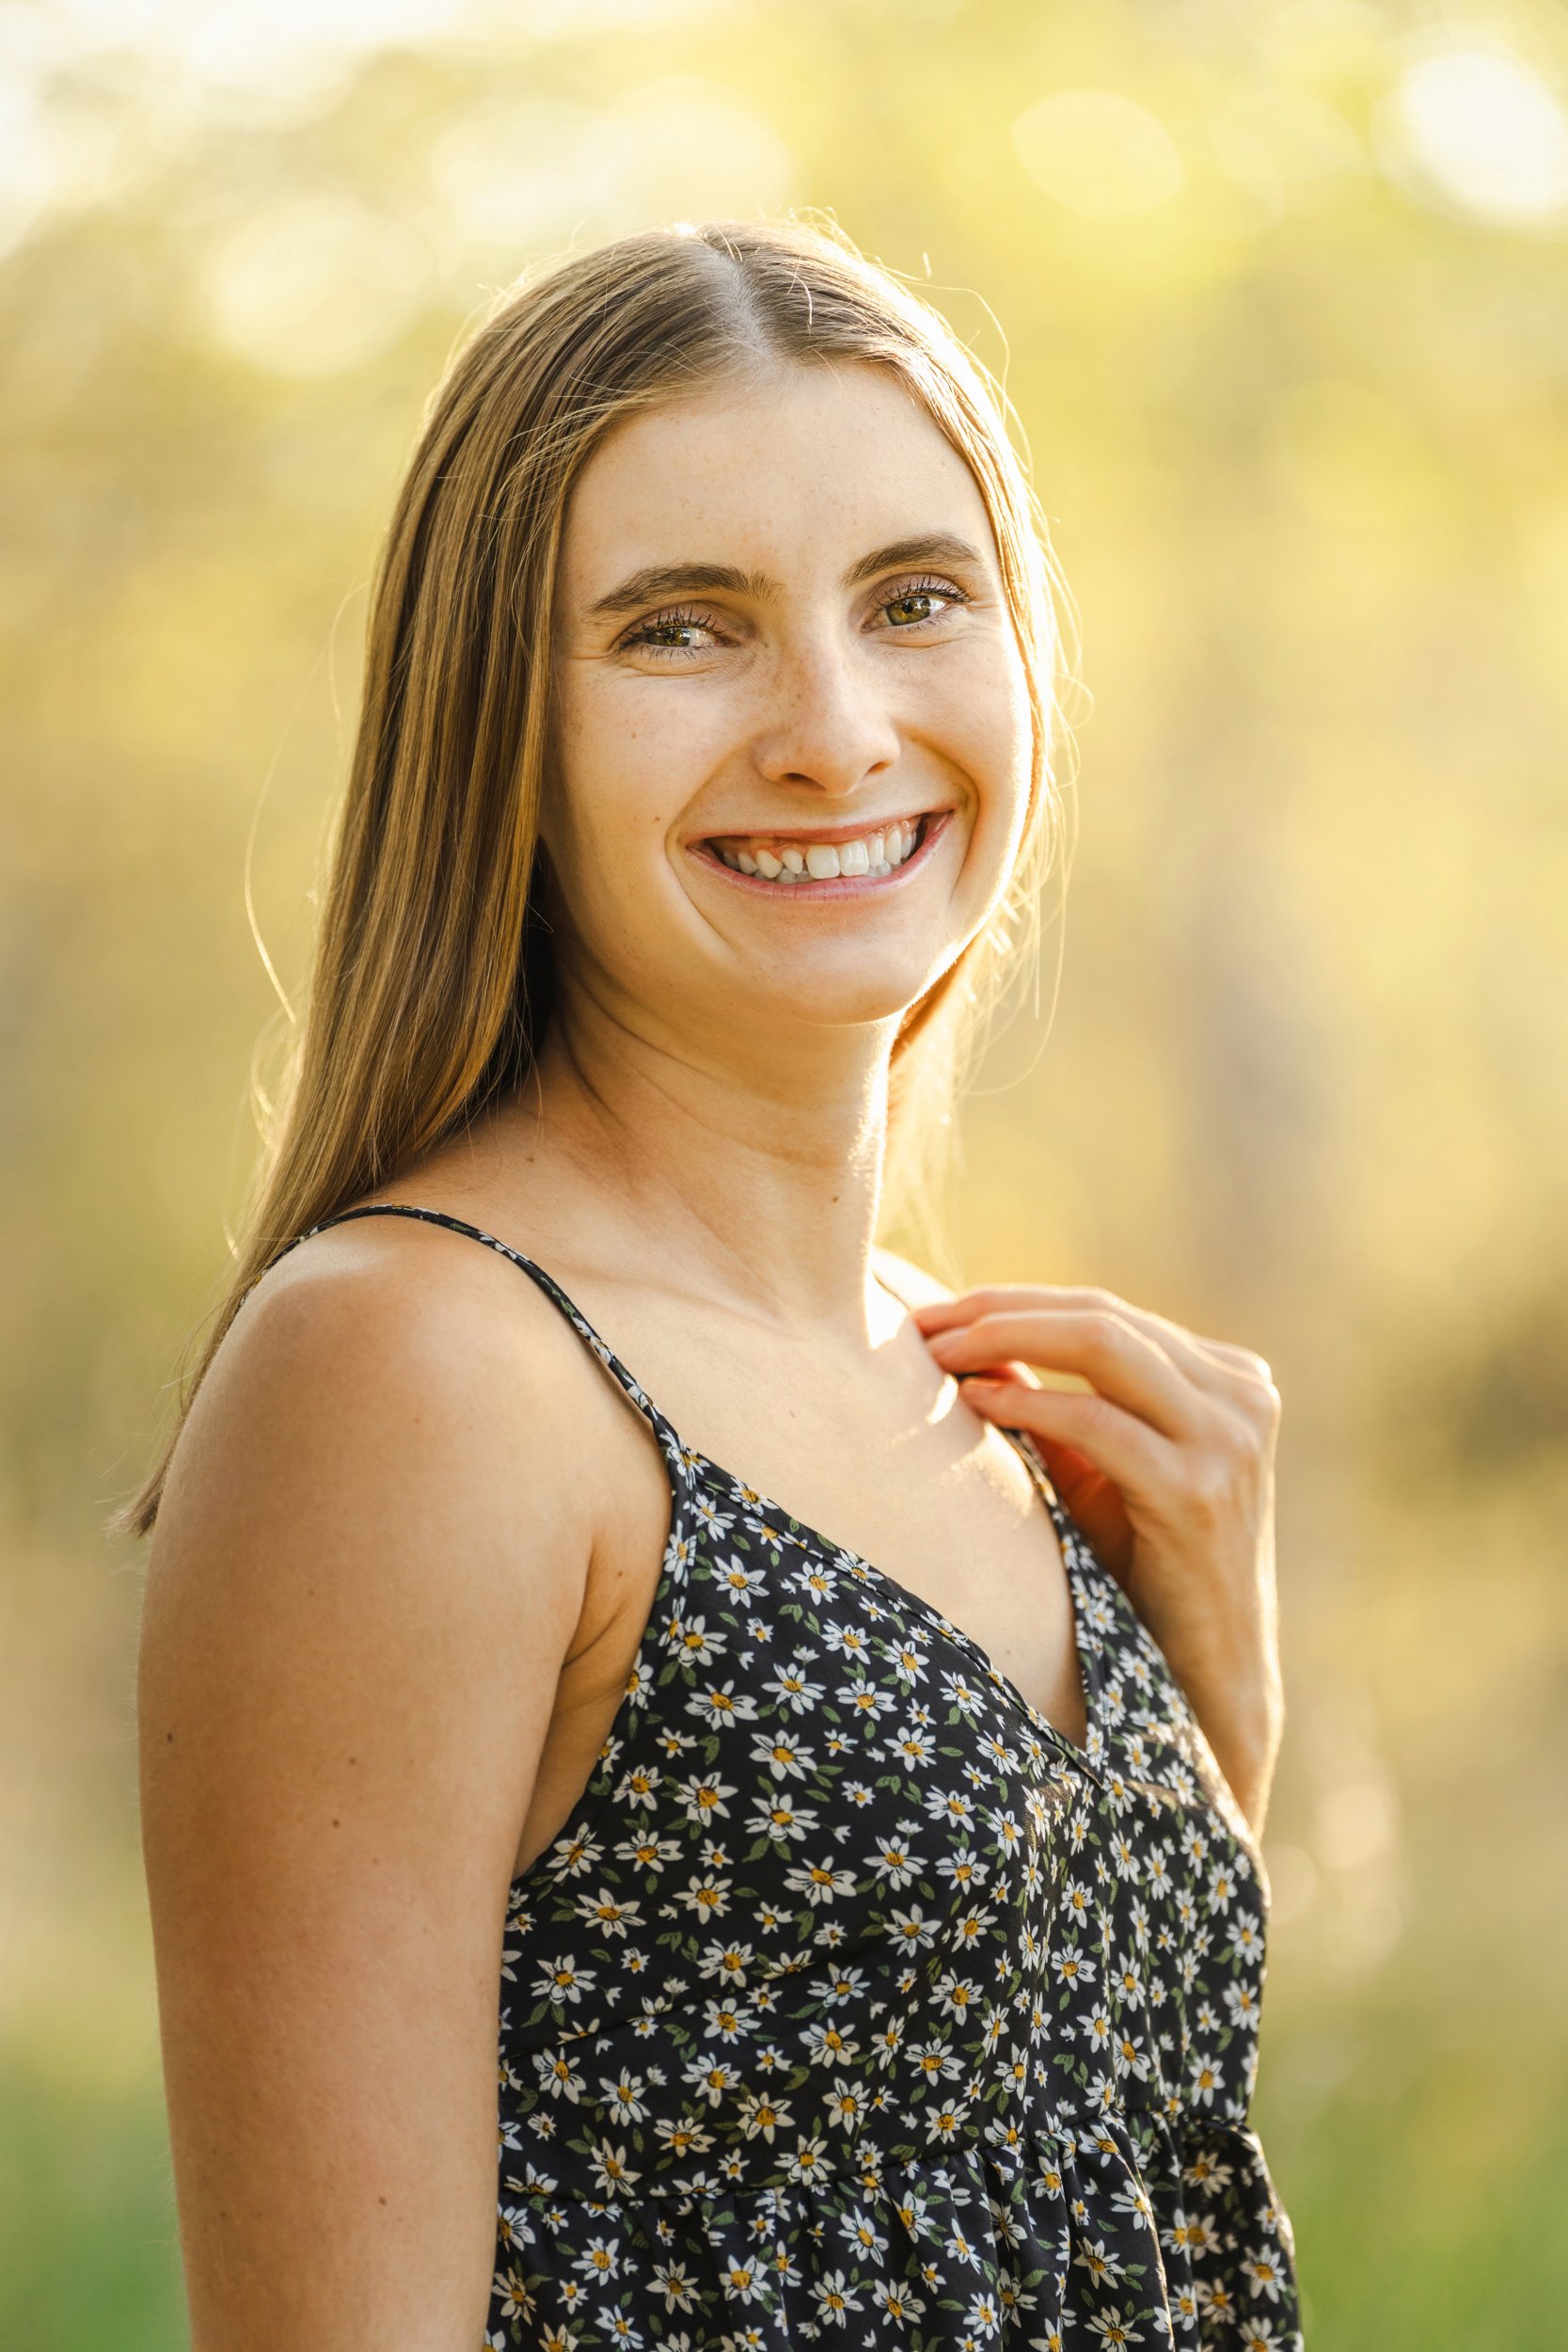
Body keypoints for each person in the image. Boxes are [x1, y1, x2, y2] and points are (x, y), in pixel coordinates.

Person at [124, 217, 1301, 2350]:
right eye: (685, 629)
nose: (837, 731)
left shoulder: (982, 1387)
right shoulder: (420, 1365)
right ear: (500, 723)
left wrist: (1215, 1717)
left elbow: (1092, 2190)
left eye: (917, 600)